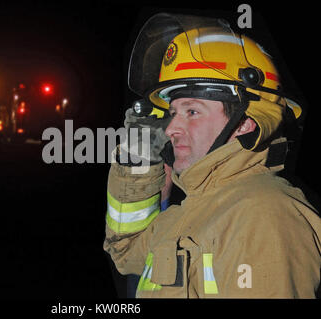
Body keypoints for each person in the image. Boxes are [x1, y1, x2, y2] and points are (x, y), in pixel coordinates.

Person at [104, 13, 321, 298]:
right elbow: (127, 253)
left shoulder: (263, 213)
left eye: (192, 112)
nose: (171, 128)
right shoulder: (194, 208)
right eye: (173, 113)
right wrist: (137, 158)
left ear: (244, 123)